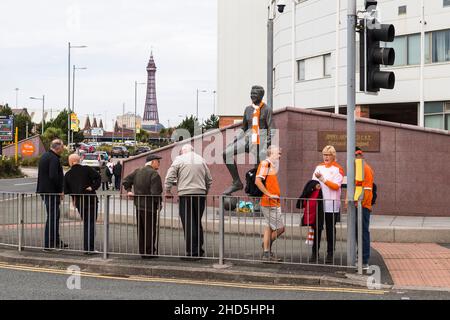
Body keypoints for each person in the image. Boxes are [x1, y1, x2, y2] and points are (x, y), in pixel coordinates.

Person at [222, 85, 274, 195]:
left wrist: (267, 146)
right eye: (251, 93)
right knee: (226, 153)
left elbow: (272, 129)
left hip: (261, 140)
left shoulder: (267, 109)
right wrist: (236, 138)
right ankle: (237, 182)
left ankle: (257, 198)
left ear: (261, 95)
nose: (252, 95)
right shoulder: (248, 109)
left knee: (258, 170)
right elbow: (244, 127)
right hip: (247, 138)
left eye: (255, 94)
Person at [164, 144, 213, 259]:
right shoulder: (201, 160)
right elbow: (209, 180)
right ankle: (199, 250)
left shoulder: (179, 159)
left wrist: (168, 190)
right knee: (197, 222)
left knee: (189, 223)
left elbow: (170, 175)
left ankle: (192, 252)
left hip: (186, 195)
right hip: (200, 195)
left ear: (182, 151)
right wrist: (205, 192)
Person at [122, 154, 163, 259]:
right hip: (149, 206)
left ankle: (143, 251)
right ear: (153, 162)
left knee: (141, 229)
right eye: (158, 161)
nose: (159, 163)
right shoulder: (154, 174)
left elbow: (125, 181)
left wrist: (129, 191)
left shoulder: (137, 171)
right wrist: (159, 203)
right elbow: (155, 192)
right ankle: (149, 252)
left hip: (139, 205)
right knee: (150, 229)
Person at [312, 145, 344, 264]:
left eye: (328, 155)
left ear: (333, 156)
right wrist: (315, 185)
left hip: (332, 204)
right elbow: (313, 182)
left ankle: (330, 253)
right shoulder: (318, 167)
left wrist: (323, 180)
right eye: (324, 154)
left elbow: (336, 186)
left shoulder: (338, 169)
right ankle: (314, 252)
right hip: (319, 203)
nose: (326, 157)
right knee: (317, 229)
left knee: (330, 230)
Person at [63, 154, 101, 254]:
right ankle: (90, 248)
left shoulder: (68, 174)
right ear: (79, 160)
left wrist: (73, 200)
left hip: (79, 201)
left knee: (86, 223)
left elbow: (68, 190)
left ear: (71, 162)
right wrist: (92, 187)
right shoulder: (87, 169)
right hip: (91, 199)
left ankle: (86, 248)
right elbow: (98, 177)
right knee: (91, 223)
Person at [36, 139, 68, 251]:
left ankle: (56, 241)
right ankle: (48, 245)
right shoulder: (54, 158)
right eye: (63, 147)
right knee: (53, 217)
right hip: (51, 192)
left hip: (46, 191)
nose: (63, 149)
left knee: (55, 216)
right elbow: (53, 176)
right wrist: (60, 190)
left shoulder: (46, 156)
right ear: (57, 148)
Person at [255, 145, 285, 262]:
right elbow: (258, 181)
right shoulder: (265, 164)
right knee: (280, 228)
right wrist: (268, 194)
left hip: (272, 202)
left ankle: (267, 252)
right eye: (278, 153)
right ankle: (265, 247)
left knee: (269, 227)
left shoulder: (270, 165)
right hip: (269, 202)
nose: (279, 156)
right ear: (271, 153)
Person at [354, 146, 374, 269]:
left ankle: (364, 259)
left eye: (356, 156)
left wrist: (359, 203)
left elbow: (364, 189)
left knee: (362, 232)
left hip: (363, 205)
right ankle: (361, 257)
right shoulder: (363, 167)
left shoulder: (363, 168)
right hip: (362, 204)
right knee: (360, 232)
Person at [297, 180, 324, 262]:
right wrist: (315, 185)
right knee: (316, 233)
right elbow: (299, 204)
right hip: (316, 215)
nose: (319, 186)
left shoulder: (317, 192)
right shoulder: (311, 191)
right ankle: (315, 254)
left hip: (322, 212)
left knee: (319, 232)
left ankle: (321, 254)